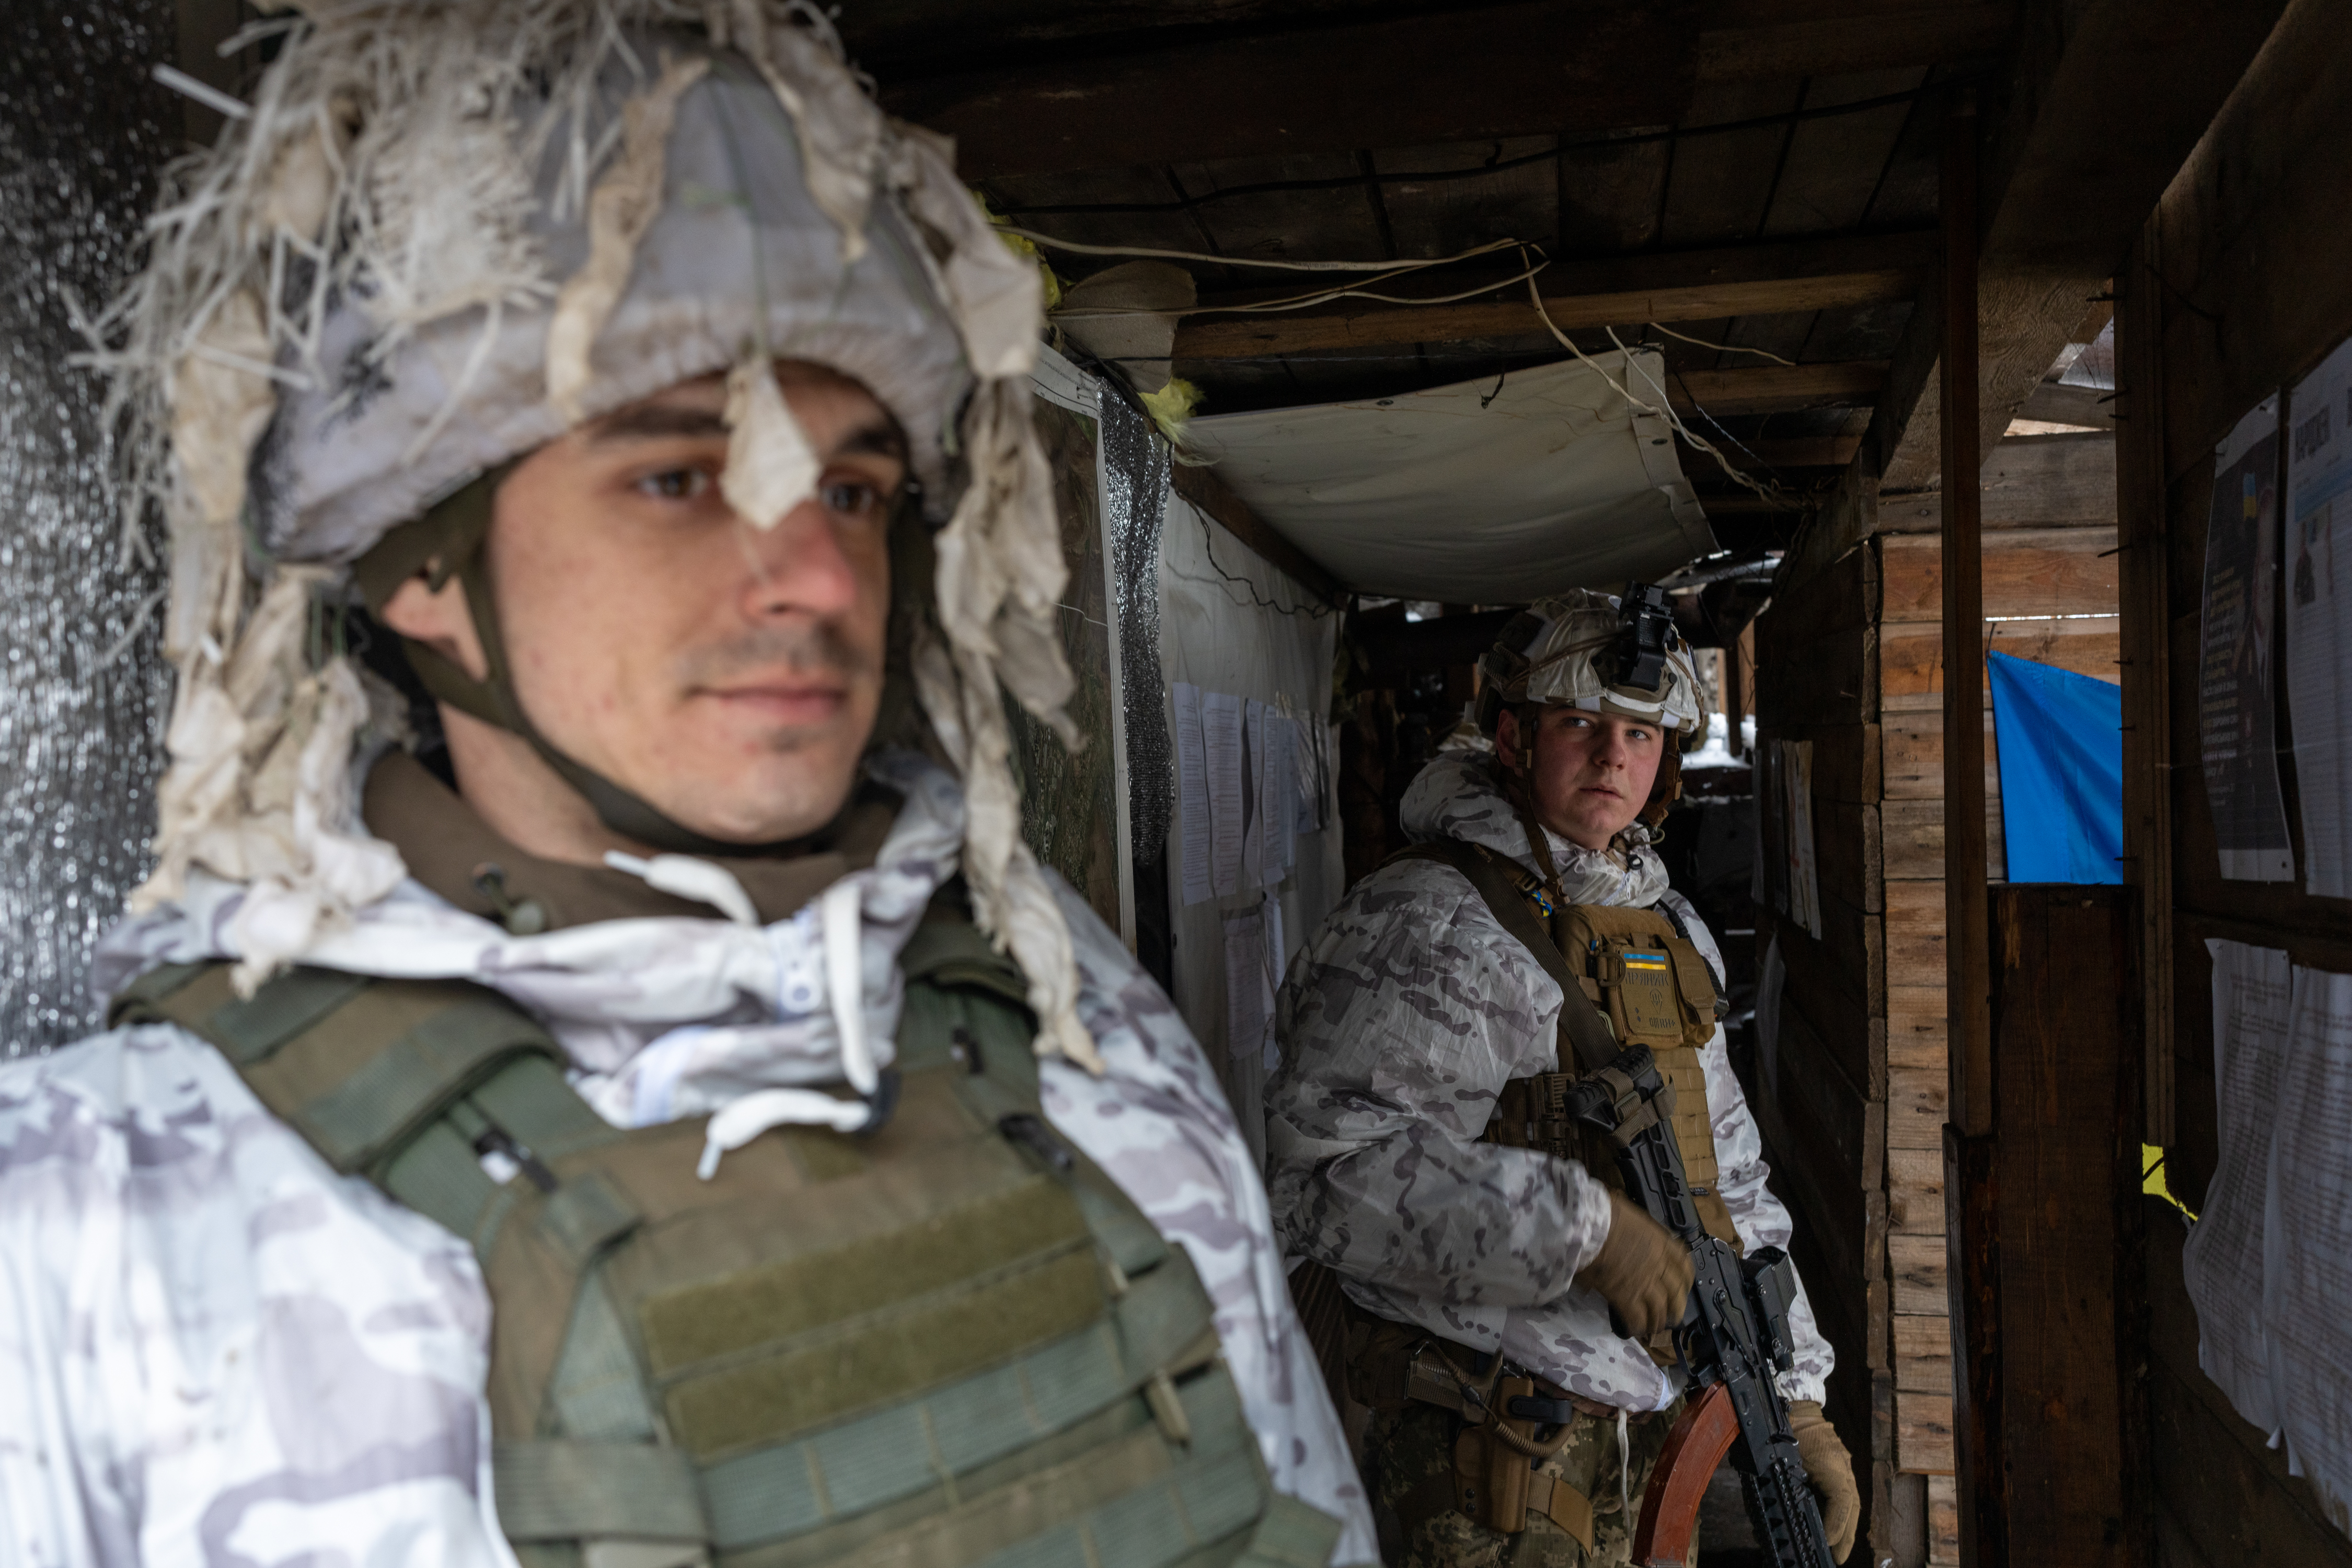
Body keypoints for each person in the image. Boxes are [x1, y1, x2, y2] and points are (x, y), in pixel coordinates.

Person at [0, 7, 1373, 1564]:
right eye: (676, 476)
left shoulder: (1063, 1004)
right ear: (419, 567)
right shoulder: (111, 1214)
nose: (811, 573)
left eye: (851, 488)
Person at [1267, 590, 1859, 1567]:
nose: (1612, 757)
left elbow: (1731, 1182)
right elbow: (1322, 1188)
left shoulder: (1665, 927)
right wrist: (1579, 1233)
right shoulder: (1422, 923)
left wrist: (1795, 1397)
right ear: (1512, 738)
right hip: (1479, 1441)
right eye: (1579, 725)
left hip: (1631, 1433)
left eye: (1640, 732)